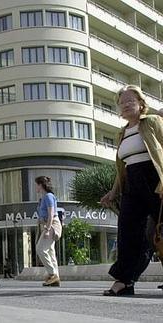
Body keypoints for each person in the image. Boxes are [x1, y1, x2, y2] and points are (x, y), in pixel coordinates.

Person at [100, 85, 163, 296]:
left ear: (141, 103)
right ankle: (125, 280)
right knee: (127, 233)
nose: (126, 104)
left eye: (130, 100)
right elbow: (122, 169)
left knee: (160, 231)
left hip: (155, 180)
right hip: (132, 185)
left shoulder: (152, 122)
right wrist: (113, 192)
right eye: (122, 102)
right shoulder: (121, 134)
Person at [34, 176, 62, 287]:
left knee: (40, 248)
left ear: (41, 185)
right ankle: (55, 279)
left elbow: (51, 214)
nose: (35, 187)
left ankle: (52, 273)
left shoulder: (49, 196)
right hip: (46, 224)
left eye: (36, 184)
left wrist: (47, 229)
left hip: (51, 224)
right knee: (50, 252)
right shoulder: (43, 198)